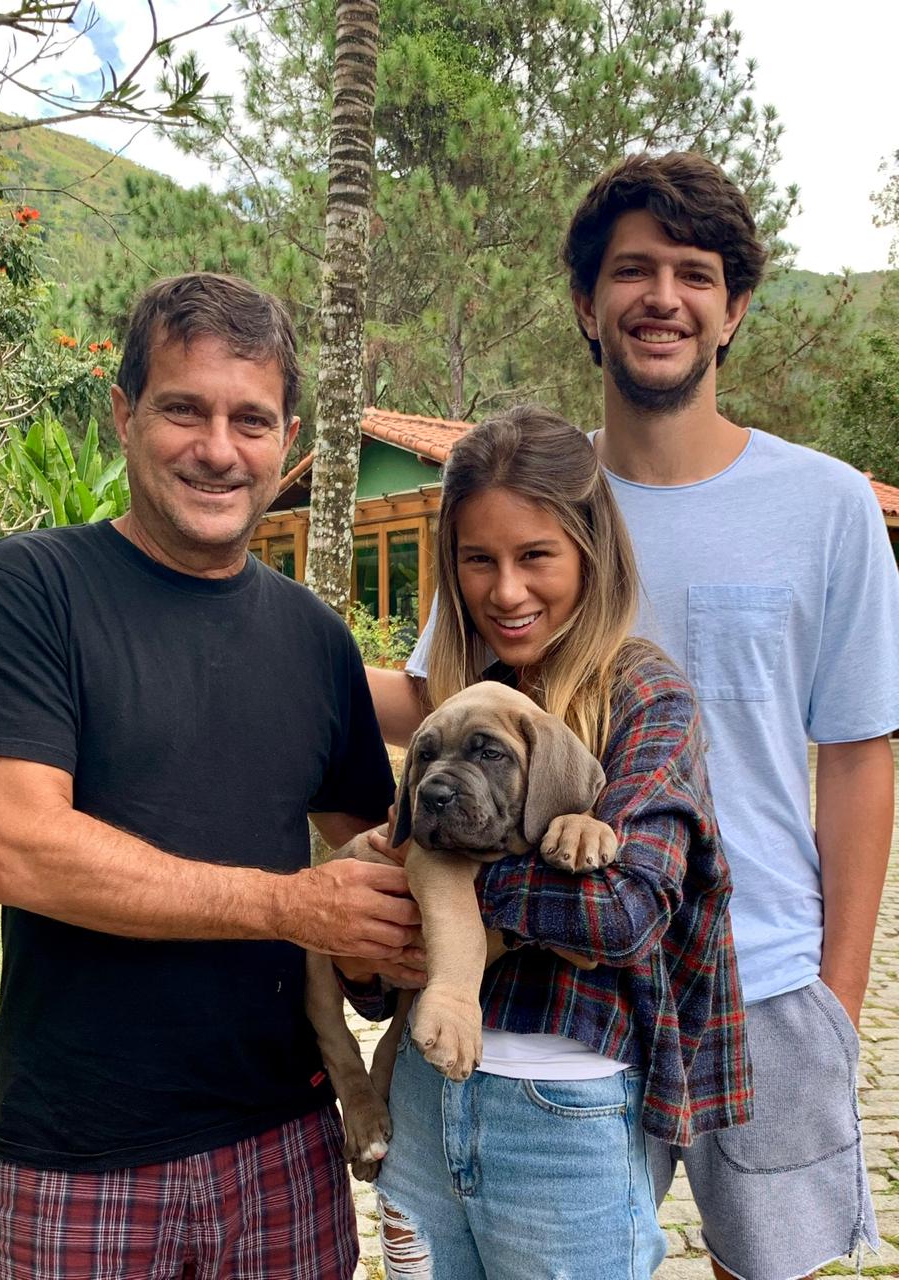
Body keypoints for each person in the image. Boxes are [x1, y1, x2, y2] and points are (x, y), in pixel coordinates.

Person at [393, 153, 899, 1280]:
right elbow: (438, 696)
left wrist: (839, 993)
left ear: (735, 309)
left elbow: (859, 755)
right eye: (631, 270)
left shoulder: (826, 504)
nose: (662, 297)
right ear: (587, 303)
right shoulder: (530, 502)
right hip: (570, 992)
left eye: (695, 273)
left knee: (765, 1264)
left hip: (762, 974)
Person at [0, 272, 422, 1280]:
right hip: (82, 1157)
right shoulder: (29, 592)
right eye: (183, 410)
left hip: (289, 1146)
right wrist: (291, 905)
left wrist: (381, 953)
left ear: (287, 439)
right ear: (124, 415)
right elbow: (21, 849)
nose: (218, 448)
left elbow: (380, 859)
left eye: (251, 420)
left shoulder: (313, 638)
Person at [346, 404, 751, 1280]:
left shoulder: (644, 697)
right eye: (478, 560)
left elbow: (624, 913)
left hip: (561, 1112)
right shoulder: (470, 702)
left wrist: (441, 873)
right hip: (420, 1096)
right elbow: (380, 978)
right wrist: (374, 929)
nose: (506, 591)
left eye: (536, 556)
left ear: (591, 553)